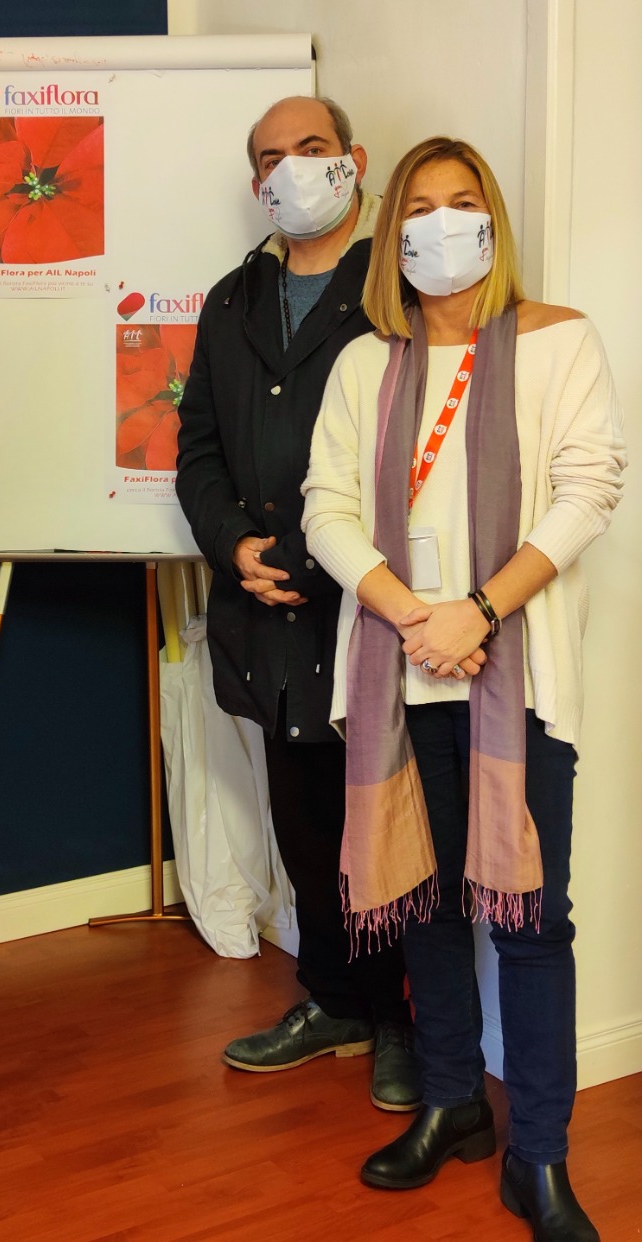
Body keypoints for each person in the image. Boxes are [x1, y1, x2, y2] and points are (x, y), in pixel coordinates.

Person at [303, 136, 624, 1238]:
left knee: (531, 921)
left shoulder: (557, 341)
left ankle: (540, 1157)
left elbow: (588, 490)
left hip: (517, 677)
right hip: (400, 675)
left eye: (463, 202)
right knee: (427, 905)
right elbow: (326, 509)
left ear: (492, 220)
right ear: (393, 234)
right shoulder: (365, 364)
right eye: (420, 208)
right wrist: (414, 617)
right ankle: (452, 1103)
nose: (442, 225)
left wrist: (478, 612)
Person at [175, 96, 419, 1110]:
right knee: (303, 822)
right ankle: (334, 999)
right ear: (255, 185)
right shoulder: (232, 301)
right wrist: (232, 544)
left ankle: (401, 1020)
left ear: (353, 161)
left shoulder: (399, 287)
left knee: (385, 822)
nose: (291, 170)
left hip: (362, 604)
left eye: (311, 149)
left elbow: (418, 448)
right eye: (270, 158)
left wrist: (334, 561)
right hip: (263, 609)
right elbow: (197, 449)